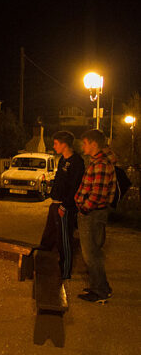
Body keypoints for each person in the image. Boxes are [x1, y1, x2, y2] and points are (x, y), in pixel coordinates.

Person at [74, 129, 117, 303]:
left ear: (93, 144)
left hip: (91, 214)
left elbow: (98, 193)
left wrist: (84, 208)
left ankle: (99, 292)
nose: (82, 145)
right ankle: (101, 287)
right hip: (93, 213)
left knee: (90, 255)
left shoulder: (100, 165)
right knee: (94, 253)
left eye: (85, 142)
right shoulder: (97, 161)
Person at [38, 131, 85, 279]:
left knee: (64, 239)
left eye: (56, 143)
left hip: (65, 206)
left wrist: (65, 205)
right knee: (49, 235)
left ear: (64, 144)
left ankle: (65, 271)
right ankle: (44, 264)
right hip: (55, 203)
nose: (54, 146)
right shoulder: (62, 160)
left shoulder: (77, 162)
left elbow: (75, 186)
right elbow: (61, 180)